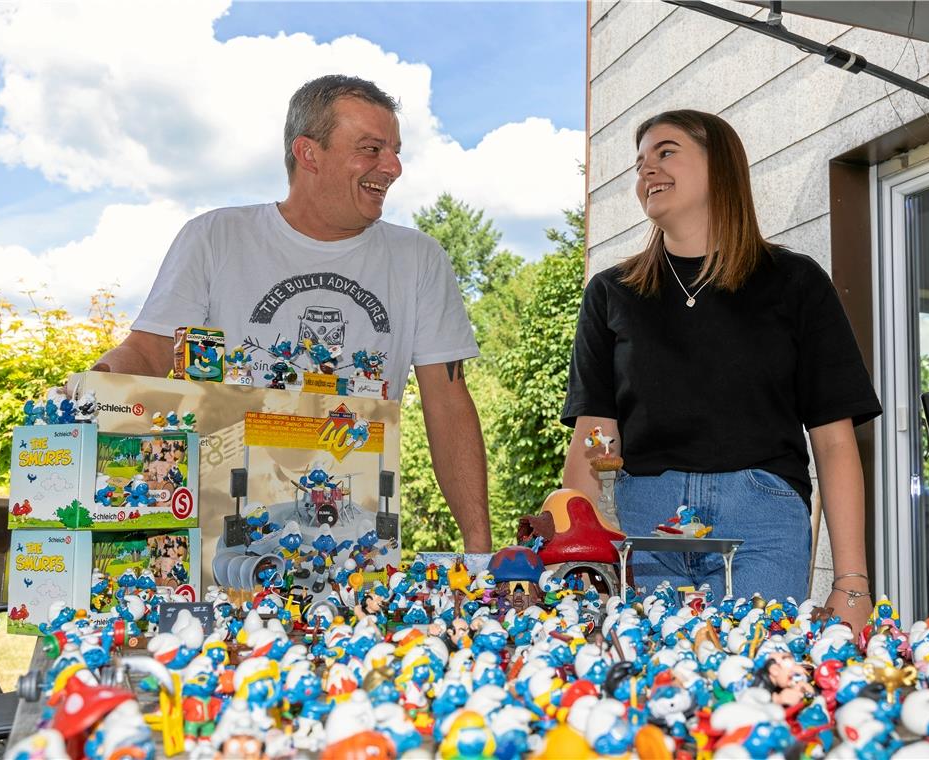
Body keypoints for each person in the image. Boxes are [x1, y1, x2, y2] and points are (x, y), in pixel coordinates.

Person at [91, 75, 491, 552]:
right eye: (372, 149)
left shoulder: (419, 257)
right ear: (309, 153)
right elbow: (149, 353)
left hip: (355, 537)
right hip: (224, 540)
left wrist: (480, 546)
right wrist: (91, 390)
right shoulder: (216, 237)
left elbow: (447, 403)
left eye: (395, 150)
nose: (394, 167)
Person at [560, 110, 881, 630]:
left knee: (759, 681)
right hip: (645, 529)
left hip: (764, 524)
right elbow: (595, 436)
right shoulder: (609, 293)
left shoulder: (797, 282)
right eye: (639, 163)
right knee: (649, 688)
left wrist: (851, 583)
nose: (646, 171)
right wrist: (578, 550)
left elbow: (835, 442)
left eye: (665, 152)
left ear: (723, 166)